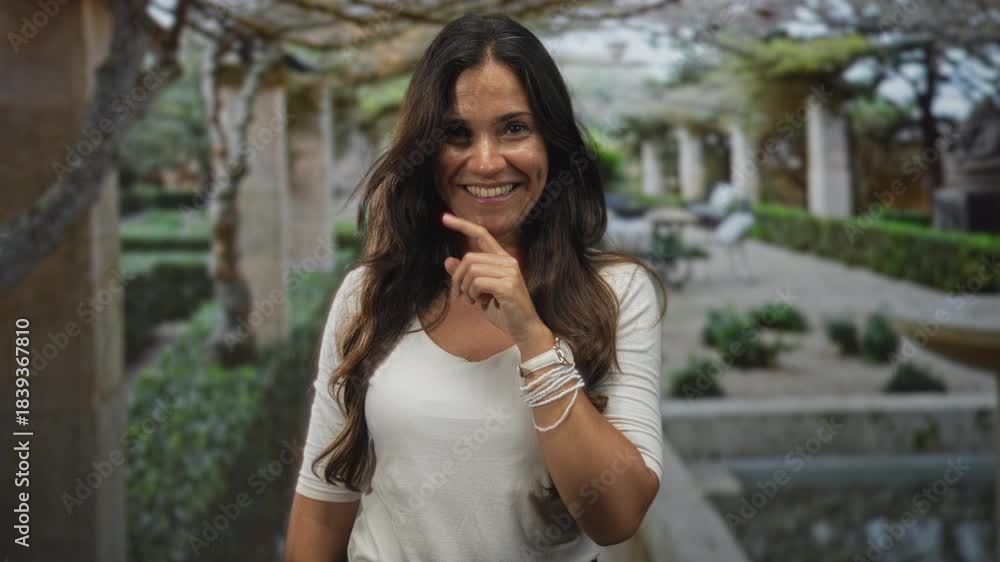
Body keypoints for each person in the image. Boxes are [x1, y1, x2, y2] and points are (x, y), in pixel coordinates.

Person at [283, 13, 667, 562]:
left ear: (553, 142)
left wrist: (533, 339)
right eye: (456, 134)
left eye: (514, 128)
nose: (486, 162)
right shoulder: (368, 295)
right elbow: (322, 510)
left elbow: (618, 517)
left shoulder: (616, 292)